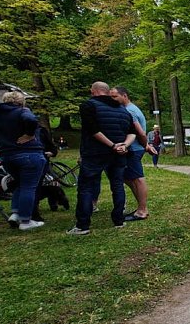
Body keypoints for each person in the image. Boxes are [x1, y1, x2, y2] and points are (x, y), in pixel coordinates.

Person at [67, 81, 135, 235]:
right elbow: (132, 132)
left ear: (94, 91)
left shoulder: (88, 106)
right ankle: (119, 220)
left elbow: (93, 130)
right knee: (117, 185)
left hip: (95, 153)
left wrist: (112, 145)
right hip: (118, 155)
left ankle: (82, 225)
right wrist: (123, 145)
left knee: (86, 187)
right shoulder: (123, 110)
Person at [0, 91, 47, 230]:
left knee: (20, 184)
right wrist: (29, 135)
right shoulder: (22, 111)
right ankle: (26, 221)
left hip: (7, 156)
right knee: (29, 187)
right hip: (29, 154)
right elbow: (31, 120)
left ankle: (16, 213)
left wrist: (3, 138)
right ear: (21, 101)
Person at [110, 86, 158, 221]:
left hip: (133, 149)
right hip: (135, 148)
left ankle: (142, 210)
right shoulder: (129, 109)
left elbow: (140, 133)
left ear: (124, 96)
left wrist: (145, 145)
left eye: (115, 96)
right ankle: (141, 207)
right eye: (111, 97)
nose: (112, 99)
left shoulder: (129, 111)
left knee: (137, 178)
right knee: (128, 178)